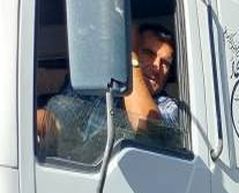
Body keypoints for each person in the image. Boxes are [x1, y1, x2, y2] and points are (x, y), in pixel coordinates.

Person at [38, 23, 182, 162]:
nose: (157, 66)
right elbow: (55, 117)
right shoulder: (93, 86)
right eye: (149, 53)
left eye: (166, 63)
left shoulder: (169, 107)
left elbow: (145, 125)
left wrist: (128, 59)